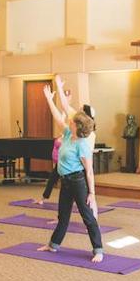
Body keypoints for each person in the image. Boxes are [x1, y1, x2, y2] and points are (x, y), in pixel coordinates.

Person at [38, 80, 104, 263]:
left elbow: (89, 171)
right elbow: (57, 116)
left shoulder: (83, 144)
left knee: (87, 216)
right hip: (65, 181)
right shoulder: (68, 133)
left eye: (73, 122)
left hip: (77, 181)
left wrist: (92, 193)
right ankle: (53, 245)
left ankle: (98, 249)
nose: (69, 121)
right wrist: (48, 99)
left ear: (78, 126)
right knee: (63, 216)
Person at [35, 136, 62, 205]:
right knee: (51, 180)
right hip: (58, 164)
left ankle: (82, 202)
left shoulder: (69, 138)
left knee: (70, 185)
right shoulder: (61, 136)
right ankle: (42, 199)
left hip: (65, 164)